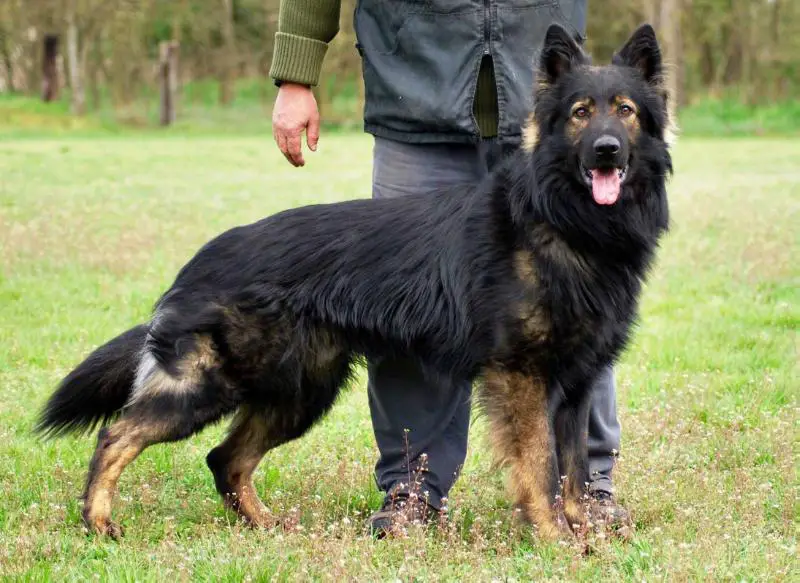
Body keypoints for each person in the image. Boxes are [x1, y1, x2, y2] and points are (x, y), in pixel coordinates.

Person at [269, 0, 630, 537]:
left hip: (547, 95)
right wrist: (297, 73)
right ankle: (413, 485)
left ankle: (587, 487)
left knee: (580, 307)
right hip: (415, 89)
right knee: (404, 307)